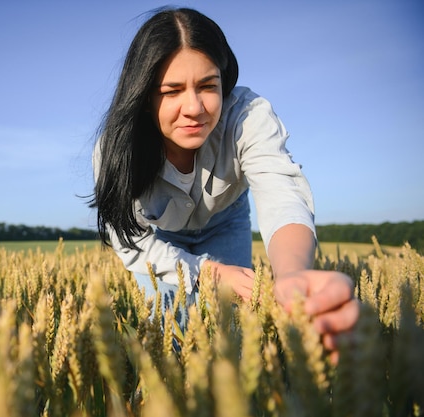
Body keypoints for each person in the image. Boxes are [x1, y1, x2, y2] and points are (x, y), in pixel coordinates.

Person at [90, 7, 358, 360]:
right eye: (171, 91)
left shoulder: (247, 116)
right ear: (144, 96)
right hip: (160, 239)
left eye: (207, 86)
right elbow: (132, 244)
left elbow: (281, 191)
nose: (194, 107)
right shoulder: (116, 149)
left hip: (226, 221)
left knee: (229, 332)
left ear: (223, 81)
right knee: (168, 335)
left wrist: (292, 275)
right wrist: (208, 272)